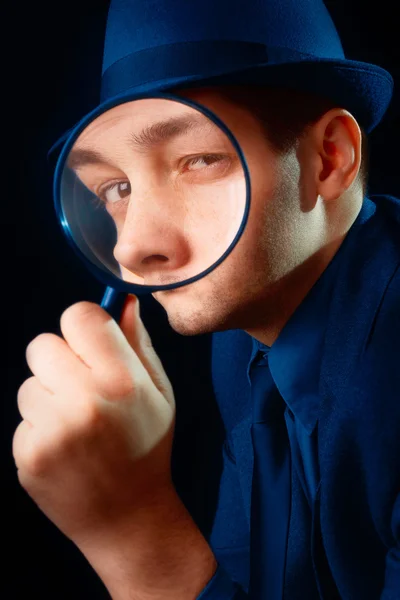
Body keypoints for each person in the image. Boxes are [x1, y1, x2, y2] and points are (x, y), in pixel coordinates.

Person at [13, 0, 399, 599]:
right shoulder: (243, 342)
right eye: (115, 188)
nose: (132, 248)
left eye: (199, 161)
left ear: (329, 159)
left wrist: (131, 532)